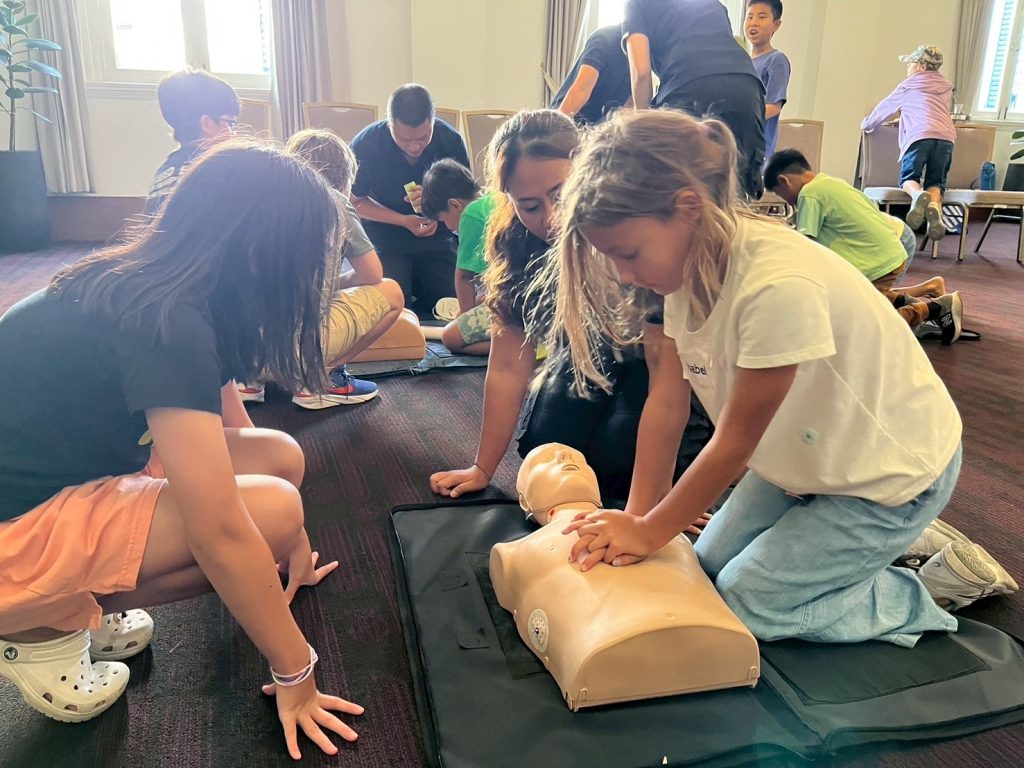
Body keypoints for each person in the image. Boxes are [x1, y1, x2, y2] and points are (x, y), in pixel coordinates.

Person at [552, 109, 1003, 647]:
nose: (625, 274)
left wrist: (650, 532)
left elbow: (733, 445)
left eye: (628, 253)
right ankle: (868, 555)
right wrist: (637, 519)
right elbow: (668, 404)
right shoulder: (685, 269)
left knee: (747, 603)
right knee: (703, 572)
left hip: (888, 476)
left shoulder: (774, 285)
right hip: (804, 462)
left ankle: (924, 592)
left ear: (688, 209)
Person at [0, 142, 361, 758]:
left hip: (60, 478)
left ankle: (66, 599)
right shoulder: (168, 320)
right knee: (269, 515)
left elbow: (228, 430)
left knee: (280, 459)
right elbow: (219, 530)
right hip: (16, 532)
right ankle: (37, 624)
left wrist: (293, 553)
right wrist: (296, 671)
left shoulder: (167, 285)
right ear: (259, 253)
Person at [428, 109, 712, 503]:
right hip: (585, 357)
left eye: (562, 194)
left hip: (654, 366)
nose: (553, 218)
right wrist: (482, 468)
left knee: (618, 463)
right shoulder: (517, 244)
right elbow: (508, 365)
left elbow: (668, 377)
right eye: (530, 206)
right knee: (545, 449)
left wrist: (651, 512)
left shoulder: (637, 228)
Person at [490, 443, 757, 710]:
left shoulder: (667, 532)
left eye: (581, 461)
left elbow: (731, 445)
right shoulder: (512, 554)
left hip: (721, 640)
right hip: (602, 651)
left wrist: (667, 515)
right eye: (545, 461)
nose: (564, 456)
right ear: (524, 500)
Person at [256, 128, 404, 409]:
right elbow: (372, 274)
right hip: (295, 350)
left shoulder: (262, 200)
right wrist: (336, 282)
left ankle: (248, 383)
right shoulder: (334, 200)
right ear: (345, 177)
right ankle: (320, 379)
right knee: (392, 291)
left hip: (243, 351)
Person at [763, 148, 963, 344]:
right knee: (858, 301)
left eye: (781, 194)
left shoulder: (809, 194)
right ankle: (901, 301)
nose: (786, 200)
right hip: (889, 254)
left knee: (864, 326)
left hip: (875, 265)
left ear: (784, 181)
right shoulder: (831, 182)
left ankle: (936, 308)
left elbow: (807, 247)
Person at [621, 0, 767, 198]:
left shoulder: (636, 5)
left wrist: (643, 127)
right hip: (746, 89)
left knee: (679, 190)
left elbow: (641, 73)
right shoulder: (713, 4)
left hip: (690, 89)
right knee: (735, 191)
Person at [350, 84, 471, 316]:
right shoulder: (367, 145)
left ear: (433, 122)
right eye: (404, 140)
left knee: (451, 299)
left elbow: (465, 201)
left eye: (424, 137)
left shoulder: (450, 141)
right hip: (386, 232)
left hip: (438, 232)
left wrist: (435, 201)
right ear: (389, 124)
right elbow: (355, 202)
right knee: (390, 301)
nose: (415, 147)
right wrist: (403, 220)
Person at [862, 44, 956, 241]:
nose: (907, 68)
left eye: (910, 63)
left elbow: (884, 108)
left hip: (920, 136)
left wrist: (867, 124)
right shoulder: (946, 86)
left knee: (908, 178)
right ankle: (933, 206)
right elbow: (932, 110)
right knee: (936, 182)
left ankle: (917, 196)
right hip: (946, 137)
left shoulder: (909, 85)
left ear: (921, 66)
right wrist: (904, 119)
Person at [420, 158, 495, 355]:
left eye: (443, 219)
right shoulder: (491, 199)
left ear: (454, 205)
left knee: (451, 337)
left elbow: (464, 277)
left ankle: (525, 348)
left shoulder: (470, 214)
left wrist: (465, 321)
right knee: (480, 298)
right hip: (527, 293)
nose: (448, 227)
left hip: (515, 301)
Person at [146, 68, 240, 214]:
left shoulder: (164, 171)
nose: (234, 133)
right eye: (231, 123)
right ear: (207, 123)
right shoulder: (217, 168)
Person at [550, 24, 632, 125]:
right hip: (570, 116)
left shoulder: (644, 60)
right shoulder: (605, 39)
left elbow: (631, 108)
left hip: (603, 125)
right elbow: (582, 89)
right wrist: (556, 127)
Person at [744, 0, 790, 162]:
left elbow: (774, 106)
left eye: (762, 17)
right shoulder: (743, 61)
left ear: (776, 25)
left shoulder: (776, 60)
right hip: (738, 143)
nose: (753, 22)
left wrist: (743, 117)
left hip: (757, 149)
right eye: (750, 17)